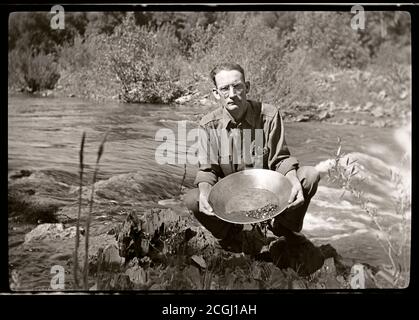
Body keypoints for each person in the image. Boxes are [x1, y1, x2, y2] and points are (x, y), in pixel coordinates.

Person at [184, 62, 321, 260]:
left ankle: (282, 228)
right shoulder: (208, 125)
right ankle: (230, 235)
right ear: (216, 93)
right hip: (230, 200)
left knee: (309, 176)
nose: (231, 93)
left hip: (269, 194)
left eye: (237, 86)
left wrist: (292, 179)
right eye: (224, 88)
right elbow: (208, 170)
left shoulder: (269, 115)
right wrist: (205, 192)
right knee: (193, 199)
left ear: (247, 87)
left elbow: (280, 159)